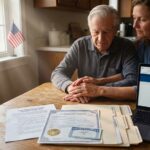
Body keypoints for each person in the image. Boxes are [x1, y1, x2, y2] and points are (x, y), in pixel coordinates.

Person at [64, 0, 150, 102]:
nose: (134, 25)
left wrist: (97, 90)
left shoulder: (127, 46)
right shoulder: (142, 45)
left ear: (115, 31)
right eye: (134, 18)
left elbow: (143, 89)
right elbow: (136, 77)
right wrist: (73, 88)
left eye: (143, 19)